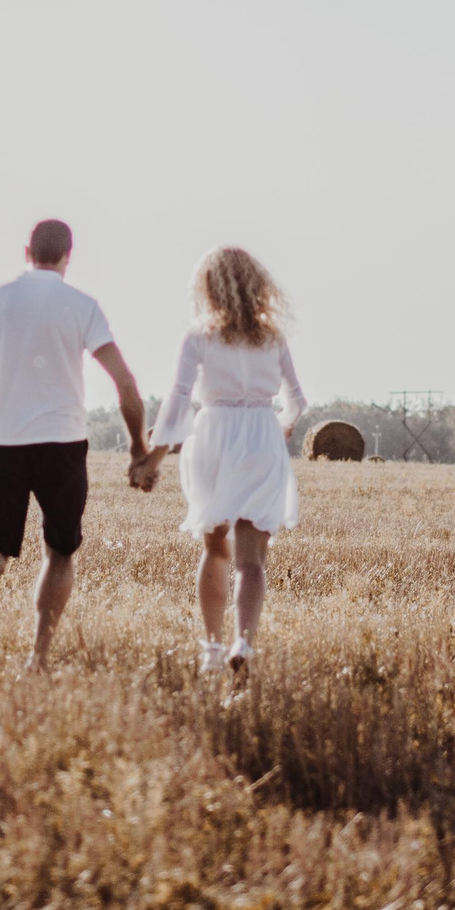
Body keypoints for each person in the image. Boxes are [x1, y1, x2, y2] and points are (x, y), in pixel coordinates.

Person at [0, 219, 152, 672]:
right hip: (63, 444)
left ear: (26, 250)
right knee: (58, 552)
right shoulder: (82, 305)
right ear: (68, 256)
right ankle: (38, 657)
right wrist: (137, 448)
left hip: (0, 441)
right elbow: (126, 384)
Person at [134, 247, 305, 680]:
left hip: (213, 435)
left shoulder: (199, 338)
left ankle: (211, 648)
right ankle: (243, 641)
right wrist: (280, 426)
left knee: (215, 549)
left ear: (207, 289)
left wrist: (153, 457)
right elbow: (298, 402)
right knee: (252, 560)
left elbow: (177, 399)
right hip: (261, 435)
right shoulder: (273, 339)